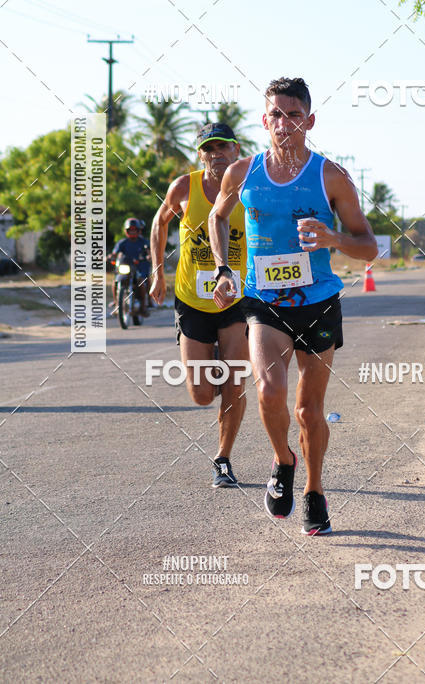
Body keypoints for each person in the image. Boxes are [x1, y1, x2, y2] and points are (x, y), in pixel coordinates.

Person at [208, 77, 378, 535]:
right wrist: (224, 268)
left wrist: (333, 238)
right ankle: (284, 460)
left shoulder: (330, 177)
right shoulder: (242, 172)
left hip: (319, 301)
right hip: (263, 301)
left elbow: (369, 247)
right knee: (267, 390)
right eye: (275, 115)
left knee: (309, 411)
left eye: (293, 115)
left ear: (310, 120)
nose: (283, 124)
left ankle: (315, 490)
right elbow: (217, 216)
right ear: (264, 120)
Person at [149, 123, 249, 488]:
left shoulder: (249, 185)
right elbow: (159, 224)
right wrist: (158, 272)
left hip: (238, 300)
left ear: (236, 150)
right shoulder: (183, 187)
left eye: (223, 147)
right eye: (209, 149)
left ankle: (223, 459)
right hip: (192, 300)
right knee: (203, 394)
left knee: (235, 381)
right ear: (200, 154)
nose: (216, 154)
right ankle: (220, 376)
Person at [110, 218, 150, 317]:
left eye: (134, 230)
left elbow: (149, 251)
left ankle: (143, 306)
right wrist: (111, 256)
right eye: (130, 230)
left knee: (142, 283)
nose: (132, 232)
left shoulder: (143, 242)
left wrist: (149, 256)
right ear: (126, 231)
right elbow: (115, 253)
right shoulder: (122, 242)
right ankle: (116, 304)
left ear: (138, 231)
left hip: (139, 268)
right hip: (126, 268)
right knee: (115, 283)